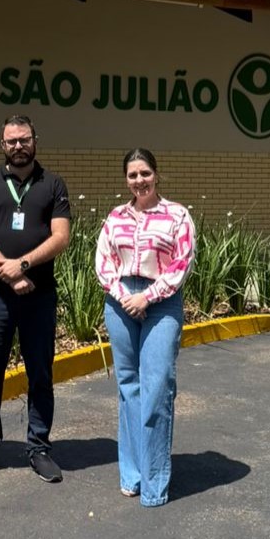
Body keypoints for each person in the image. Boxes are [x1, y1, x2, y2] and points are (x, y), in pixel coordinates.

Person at [0, 114, 71, 482]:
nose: (18, 146)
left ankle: (39, 447)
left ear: (35, 140)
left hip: (39, 296)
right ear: (2, 144)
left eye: (24, 139)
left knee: (40, 373)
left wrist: (22, 264)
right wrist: (7, 271)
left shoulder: (53, 184)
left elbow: (61, 237)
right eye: (11, 141)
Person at [95, 148, 196, 507]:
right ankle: (132, 474)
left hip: (161, 302)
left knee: (157, 389)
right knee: (129, 387)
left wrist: (147, 297)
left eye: (145, 173)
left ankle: (154, 483)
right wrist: (125, 296)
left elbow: (182, 263)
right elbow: (104, 261)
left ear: (156, 174)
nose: (139, 180)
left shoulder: (177, 215)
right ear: (126, 179)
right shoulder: (115, 217)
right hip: (121, 300)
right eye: (133, 175)